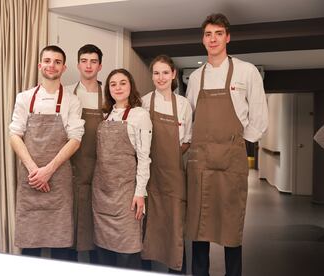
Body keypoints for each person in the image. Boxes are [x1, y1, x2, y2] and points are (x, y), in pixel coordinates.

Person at [185, 13, 268, 276]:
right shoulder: (196, 77)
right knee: (198, 226)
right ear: (203, 39)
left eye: (218, 33)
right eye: (208, 34)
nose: (213, 39)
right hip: (201, 161)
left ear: (227, 37)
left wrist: (239, 144)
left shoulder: (247, 71)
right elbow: (190, 117)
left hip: (231, 159)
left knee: (232, 224)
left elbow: (259, 117)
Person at [9, 45, 84, 260]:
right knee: (30, 246)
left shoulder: (72, 100)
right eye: (48, 61)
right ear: (40, 65)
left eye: (57, 62)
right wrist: (35, 171)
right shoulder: (24, 98)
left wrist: (48, 171)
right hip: (31, 180)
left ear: (64, 67)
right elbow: (15, 135)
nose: (52, 65)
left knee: (61, 247)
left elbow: (75, 140)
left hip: (58, 180)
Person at [92, 68, 152, 269]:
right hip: (101, 194)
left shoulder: (139, 115)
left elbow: (144, 158)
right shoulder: (106, 115)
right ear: (108, 89)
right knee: (104, 252)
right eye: (113, 84)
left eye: (123, 83)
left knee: (128, 251)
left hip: (127, 194)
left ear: (131, 86)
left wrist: (140, 193)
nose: (118, 87)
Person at [141, 55, 192, 274]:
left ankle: (176, 270)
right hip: (148, 175)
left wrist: (169, 157)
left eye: (165, 72)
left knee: (175, 226)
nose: (160, 77)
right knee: (146, 227)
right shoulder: (143, 102)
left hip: (173, 176)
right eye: (156, 73)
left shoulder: (183, 105)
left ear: (173, 75)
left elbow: (187, 140)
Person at [66, 44, 104, 263]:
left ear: (100, 65)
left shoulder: (109, 95)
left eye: (93, 61)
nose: (88, 65)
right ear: (78, 64)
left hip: (101, 171)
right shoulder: (68, 93)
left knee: (97, 228)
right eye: (84, 61)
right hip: (72, 169)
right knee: (71, 228)